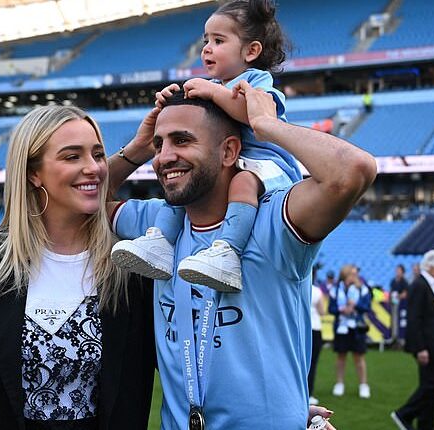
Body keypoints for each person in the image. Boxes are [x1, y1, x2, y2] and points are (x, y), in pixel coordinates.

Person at [109, 82, 376, 428]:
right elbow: (83, 200)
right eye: (160, 144)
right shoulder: (158, 228)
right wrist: (137, 150)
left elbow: (353, 170)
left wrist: (267, 125)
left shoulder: (273, 223)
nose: (164, 156)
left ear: (229, 152)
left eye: (183, 140)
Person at [0, 105, 156, 430]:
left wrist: (137, 152)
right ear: (33, 172)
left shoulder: (128, 265)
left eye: (98, 155)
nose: (93, 168)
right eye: (72, 156)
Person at [112, 0, 301, 293]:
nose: (207, 48)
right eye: (205, 41)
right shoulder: (215, 84)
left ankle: (227, 251)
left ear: (251, 51)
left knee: (242, 184)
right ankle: (160, 242)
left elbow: (254, 115)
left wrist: (212, 92)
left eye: (218, 40)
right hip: (236, 161)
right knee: (182, 194)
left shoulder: (256, 80)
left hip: (266, 164)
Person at [392, 250, 434, 430]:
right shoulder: (419, 285)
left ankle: (426, 426)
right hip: (427, 347)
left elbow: (428, 316)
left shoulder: (430, 285)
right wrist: (420, 348)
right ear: (431, 266)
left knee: (429, 388)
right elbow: (414, 318)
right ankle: (404, 414)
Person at [328, 264, 372, 399]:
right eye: (352, 274)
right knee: (341, 356)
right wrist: (341, 310)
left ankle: (363, 385)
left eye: (355, 274)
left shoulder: (362, 289)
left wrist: (355, 307)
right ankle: (339, 383)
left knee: (359, 357)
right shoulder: (335, 289)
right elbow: (331, 308)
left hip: (357, 328)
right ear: (345, 275)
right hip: (341, 327)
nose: (354, 276)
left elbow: (366, 307)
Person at [309, 266, 326, 406]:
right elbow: (322, 312)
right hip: (314, 329)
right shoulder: (317, 291)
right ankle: (308, 394)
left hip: (300, 329)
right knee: (312, 363)